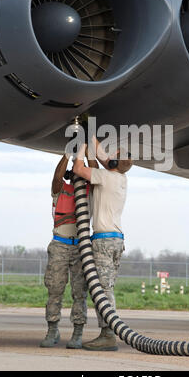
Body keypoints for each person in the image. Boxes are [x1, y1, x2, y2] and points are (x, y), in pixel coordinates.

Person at [72, 134, 132, 351]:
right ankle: (107, 331)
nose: (110, 155)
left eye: (114, 155)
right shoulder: (119, 178)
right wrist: (90, 133)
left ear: (115, 162)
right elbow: (101, 158)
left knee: (102, 289)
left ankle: (108, 334)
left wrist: (81, 147)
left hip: (104, 241)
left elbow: (79, 168)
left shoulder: (106, 177)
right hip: (116, 240)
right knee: (106, 286)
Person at [40, 154, 89, 349]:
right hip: (60, 245)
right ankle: (53, 330)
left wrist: (87, 155)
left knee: (80, 292)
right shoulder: (60, 190)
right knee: (55, 290)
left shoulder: (88, 193)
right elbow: (56, 177)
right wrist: (68, 154)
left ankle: (77, 333)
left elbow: (94, 172)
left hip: (80, 246)